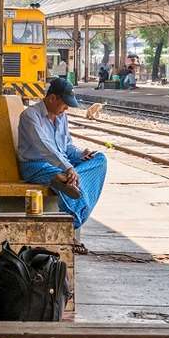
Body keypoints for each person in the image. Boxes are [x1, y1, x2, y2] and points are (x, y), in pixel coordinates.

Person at [16, 77, 108, 229]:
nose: (66, 109)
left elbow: (66, 146)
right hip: (36, 165)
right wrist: (68, 168)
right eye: (65, 104)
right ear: (52, 98)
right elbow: (44, 147)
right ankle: (74, 223)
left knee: (100, 159)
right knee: (62, 175)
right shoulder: (30, 116)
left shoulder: (62, 117)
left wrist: (80, 154)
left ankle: (68, 180)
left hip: (63, 165)